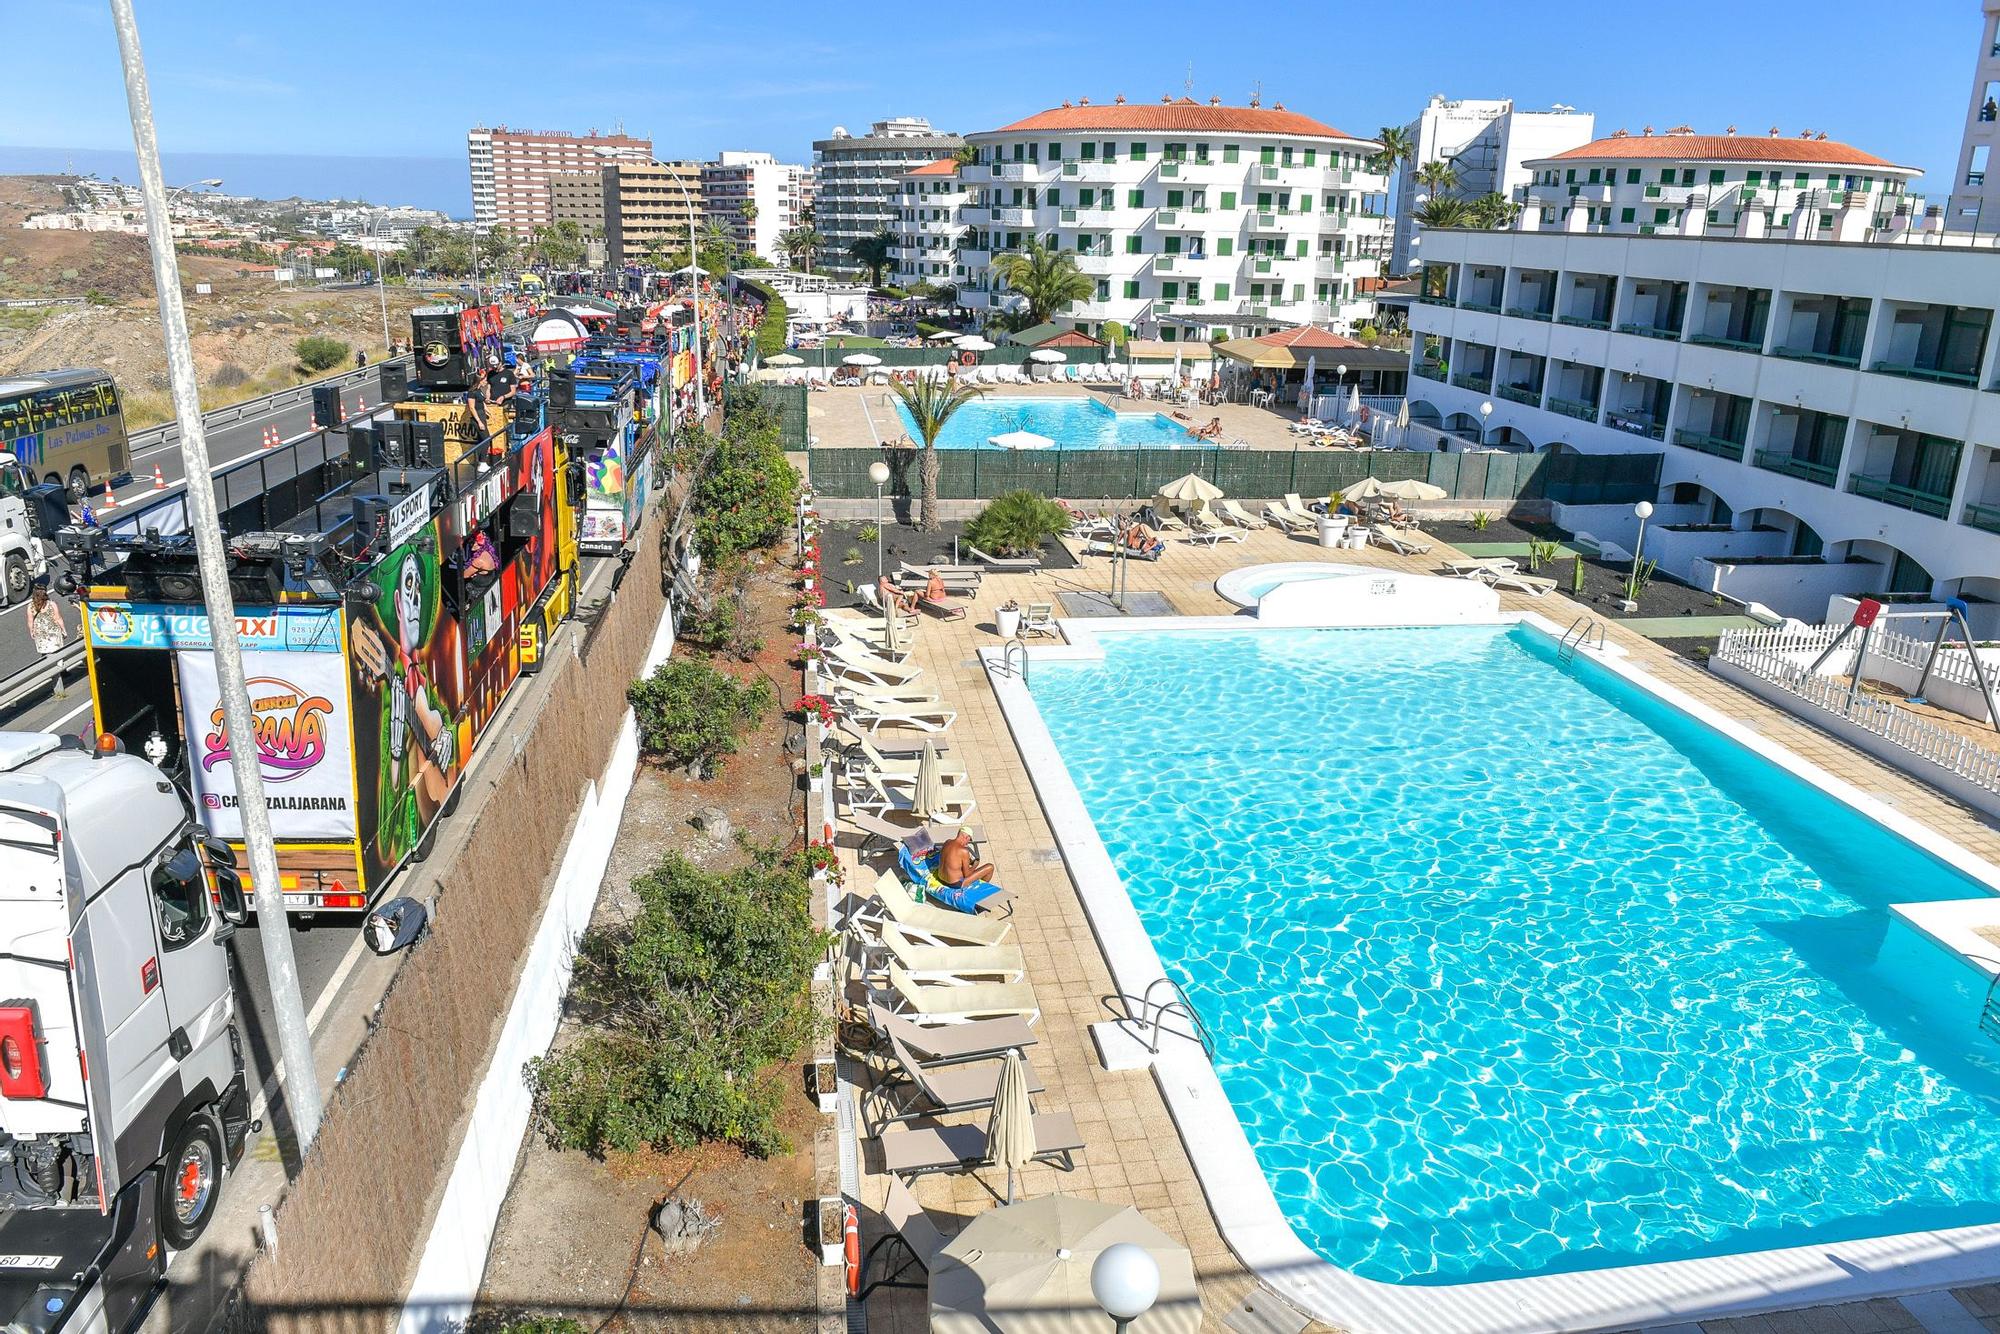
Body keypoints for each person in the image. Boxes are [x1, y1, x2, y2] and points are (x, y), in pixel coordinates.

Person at [27, 583, 67, 699]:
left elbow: (30, 621)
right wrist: (64, 630)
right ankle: (60, 672)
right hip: (53, 633)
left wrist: (32, 631)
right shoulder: (51, 604)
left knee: (45, 655)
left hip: (41, 635)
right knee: (57, 654)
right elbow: (58, 618)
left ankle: (51, 673)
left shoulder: (30, 607)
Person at [936, 830, 996, 894]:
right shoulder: (964, 851)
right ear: (967, 837)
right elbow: (967, 875)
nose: (967, 843)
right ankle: (979, 891)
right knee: (990, 867)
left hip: (941, 878)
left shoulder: (947, 842)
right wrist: (975, 865)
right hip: (954, 884)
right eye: (969, 840)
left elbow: (952, 859)